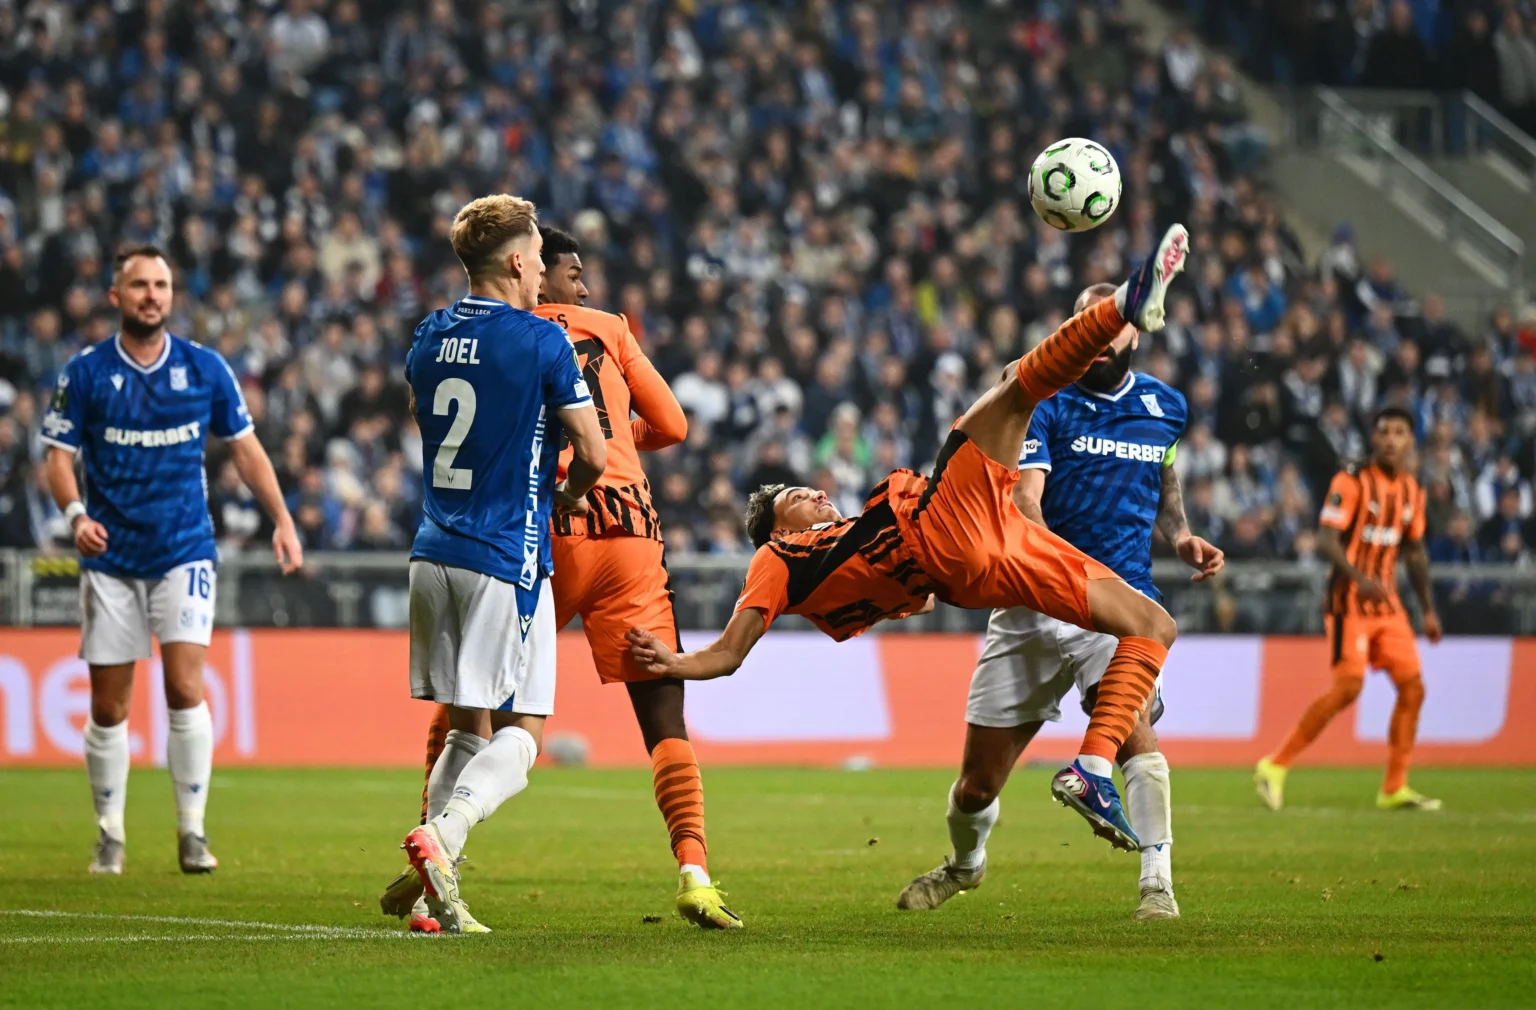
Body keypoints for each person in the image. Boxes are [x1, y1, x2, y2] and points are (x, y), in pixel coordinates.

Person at [629, 225, 1192, 849]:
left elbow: (919, 599)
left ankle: (1090, 768)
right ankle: (1120, 307)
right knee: (1019, 383)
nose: (814, 493)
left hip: (981, 563)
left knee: (1153, 624)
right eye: (794, 498)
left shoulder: (841, 562)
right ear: (775, 529)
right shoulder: (776, 559)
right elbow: (732, 652)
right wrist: (677, 662)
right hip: (950, 523)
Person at [391, 227, 739, 929]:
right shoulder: (605, 330)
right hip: (630, 533)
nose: (584, 289)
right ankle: (695, 873)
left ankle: (430, 858)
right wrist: (614, 440)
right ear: (534, 270)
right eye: (574, 274)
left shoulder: (492, 337)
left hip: (543, 531)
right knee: (662, 713)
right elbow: (670, 424)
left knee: (470, 701)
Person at [896, 282, 1224, 922]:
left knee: (1135, 732)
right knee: (977, 785)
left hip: (1113, 597)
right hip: (1032, 596)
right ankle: (965, 867)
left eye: (1111, 325)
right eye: (1084, 324)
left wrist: (1180, 535)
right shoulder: (1044, 401)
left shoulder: (1167, 407)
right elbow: (1024, 500)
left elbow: (1163, 469)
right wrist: (1047, 569)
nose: (1098, 336)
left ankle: (1158, 882)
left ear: (1137, 332)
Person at [40, 244, 302, 876]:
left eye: (161, 284)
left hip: (185, 549)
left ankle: (192, 831)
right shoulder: (85, 373)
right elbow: (56, 457)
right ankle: (110, 832)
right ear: (116, 296)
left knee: (185, 687)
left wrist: (283, 518)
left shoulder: (206, 368)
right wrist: (77, 517)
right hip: (110, 559)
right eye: (139, 285)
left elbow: (246, 449)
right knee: (109, 707)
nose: (152, 295)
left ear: (171, 295)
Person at [393, 195, 606, 934]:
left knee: (464, 729)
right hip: (503, 557)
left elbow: (427, 410)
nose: (546, 271)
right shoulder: (543, 341)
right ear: (517, 261)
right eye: (541, 258)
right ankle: (440, 840)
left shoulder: (426, 335)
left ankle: (429, 901)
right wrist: (563, 496)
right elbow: (597, 454)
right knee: (524, 735)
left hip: (431, 553)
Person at [1255, 407, 1443, 811]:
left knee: (1413, 687)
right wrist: (1359, 579)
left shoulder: (1412, 490)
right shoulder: (1352, 480)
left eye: (1399, 433)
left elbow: (1414, 552)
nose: (1391, 439)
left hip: (1389, 607)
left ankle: (1394, 786)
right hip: (1348, 604)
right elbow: (1326, 540)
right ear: (1373, 439)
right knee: (1349, 687)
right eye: (1384, 432)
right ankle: (1275, 764)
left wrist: (1428, 609)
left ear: (1411, 442)